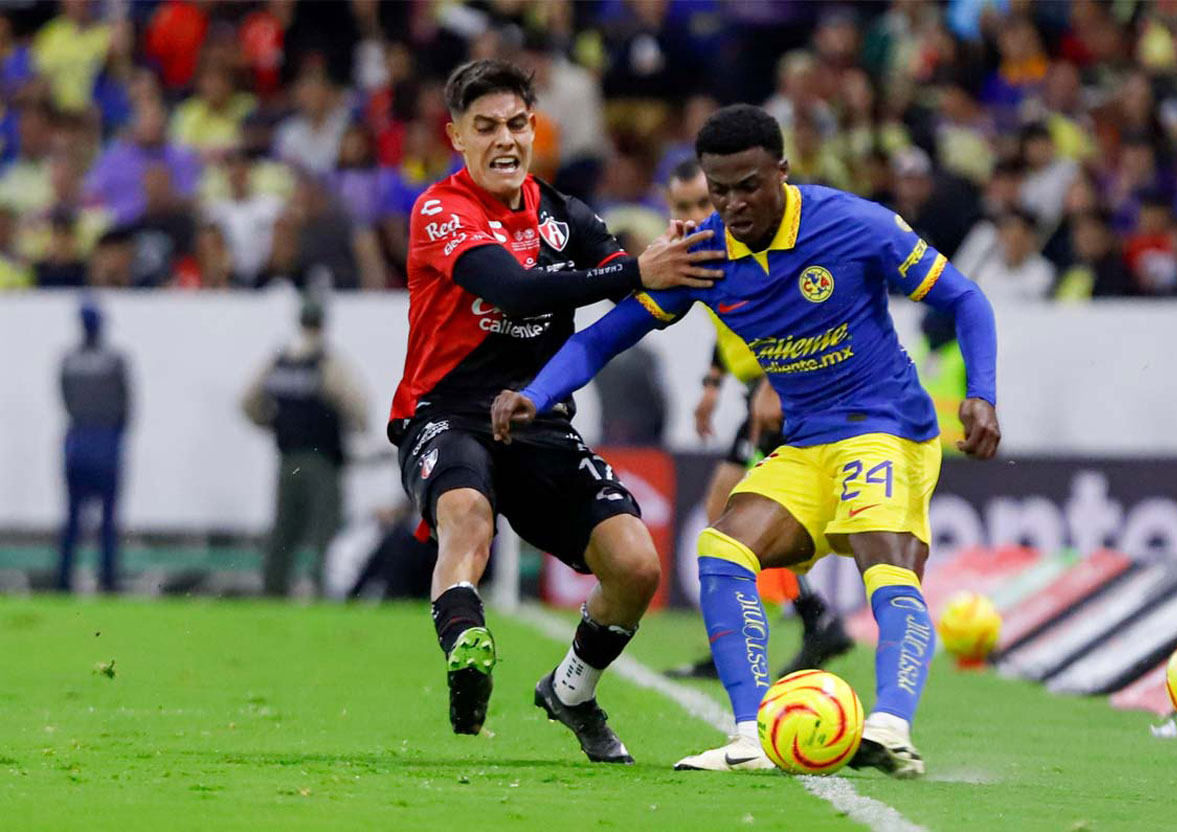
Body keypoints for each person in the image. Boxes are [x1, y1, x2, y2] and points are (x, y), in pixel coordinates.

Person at [493, 105, 1000, 777]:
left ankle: (890, 727)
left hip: (886, 429)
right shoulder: (705, 254)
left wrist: (982, 393)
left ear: (782, 172)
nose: (733, 204)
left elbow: (966, 299)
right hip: (804, 445)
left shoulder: (853, 224)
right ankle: (753, 736)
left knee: (885, 560)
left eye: (749, 186)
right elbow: (602, 339)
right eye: (720, 189)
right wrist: (536, 392)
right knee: (723, 549)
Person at [386, 60, 722, 762]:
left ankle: (571, 690)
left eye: (517, 124)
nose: (505, 140)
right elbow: (514, 289)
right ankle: (467, 644)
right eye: (486, 127)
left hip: (539, 419)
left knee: (636, 566)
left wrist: (695, 262)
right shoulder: (441, 210)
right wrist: (638, 270)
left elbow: (639, 299)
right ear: (456, 137)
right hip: (448, 411)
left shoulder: (566, 216)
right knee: (466, 518)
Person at [661, 158, 852, 681]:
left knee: (742, 512)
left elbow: (787, 314)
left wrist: (772, 383)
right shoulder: (702, 254)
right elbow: (730, 324)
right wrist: (712, 384)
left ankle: (783, 627)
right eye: (683, 206)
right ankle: (809, 619)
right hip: (756, 390)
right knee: (725, 508)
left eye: (702, 202)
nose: (696, 214)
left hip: (782, 388)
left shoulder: (745, 244)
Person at [242, 298, 369, 597]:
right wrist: (356, 429)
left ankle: (273, 589)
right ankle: (321, 589)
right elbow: (356, 406)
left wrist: (272, 423)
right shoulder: (327, 362)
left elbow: (248, 401)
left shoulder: (280, 361)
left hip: (287, 459)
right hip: (322, 460)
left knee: (284, 529)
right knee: (325, 529)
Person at [58, 299, 131, 593]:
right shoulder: (114, 361)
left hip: (77, 443)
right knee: (109, 518)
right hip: (107, 444)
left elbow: (65, 401)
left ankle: (63, 578)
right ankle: (108, 579)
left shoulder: (68, 361)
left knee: (72, 517)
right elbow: (126, 406)